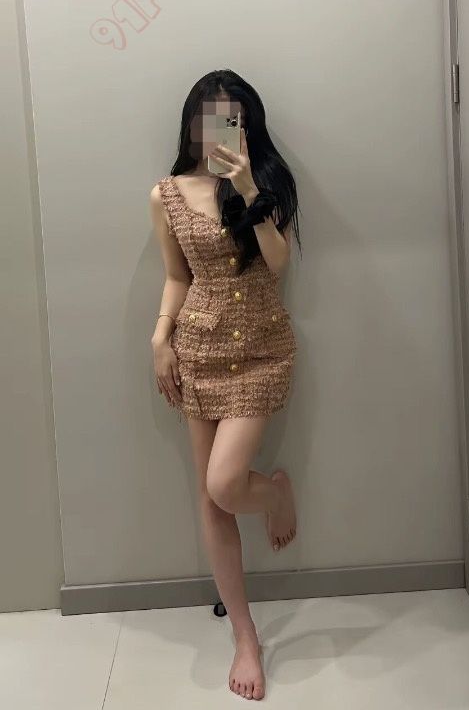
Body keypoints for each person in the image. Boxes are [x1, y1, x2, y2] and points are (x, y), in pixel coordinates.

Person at [149, 69, 302, 701]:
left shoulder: (267, 181)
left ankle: (275, 493)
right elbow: (176, 276)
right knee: (211, 500)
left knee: (226, 482)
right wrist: (160, 338)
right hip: (197, 351)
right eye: (207, 116)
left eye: (230, 116)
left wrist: (247, 188)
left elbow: (279, 263)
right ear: (192, 123)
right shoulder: (166, 194)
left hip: (261, 349)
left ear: (246, 123)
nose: (217, 127)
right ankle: (244, 636)